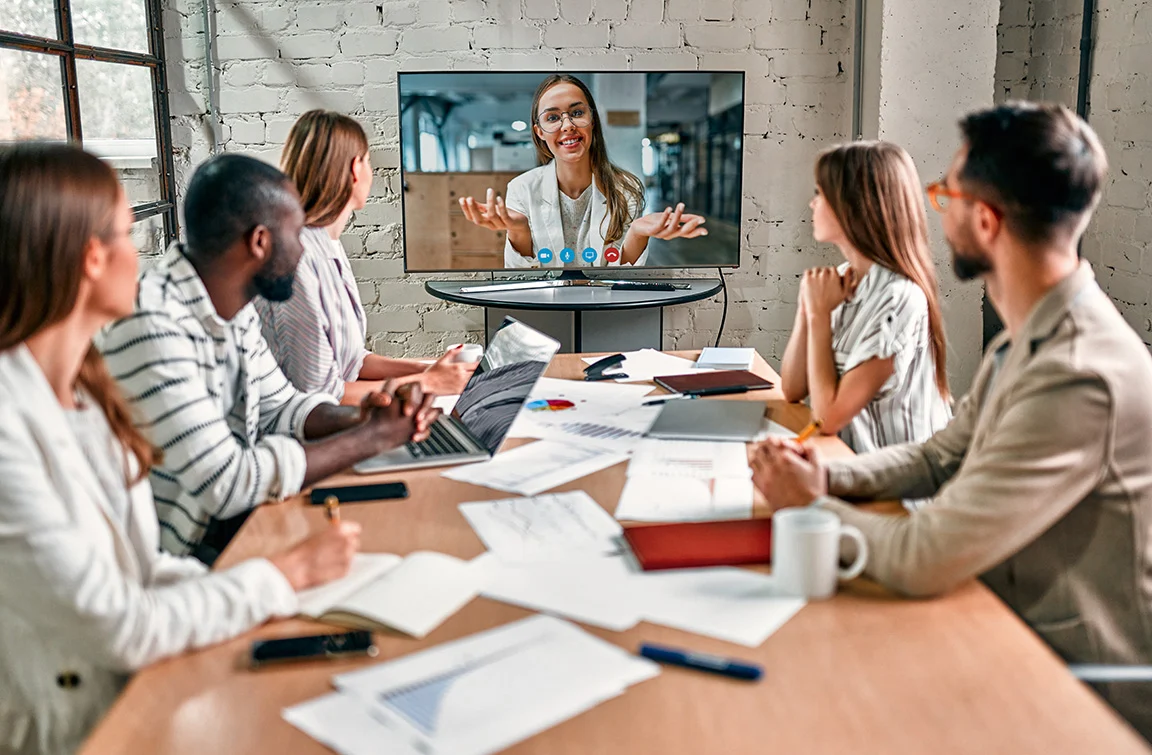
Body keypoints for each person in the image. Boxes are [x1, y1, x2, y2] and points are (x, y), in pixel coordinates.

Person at [750, 103, 1152, 738]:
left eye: (946, 195)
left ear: (986, 221)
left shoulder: (1078, 375)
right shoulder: (1026, 339)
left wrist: (806, 505)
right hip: (999, 613)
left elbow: (927, 554)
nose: (934, 210)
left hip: (1067, 677)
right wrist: (827, 481)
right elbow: (940, 456)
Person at [0, 143, 363, 755]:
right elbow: (121, 624)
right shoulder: (12, 425)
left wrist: (257, 585)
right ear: (92, 259)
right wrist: (285, 572)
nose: (144, 252)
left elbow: (145, 571)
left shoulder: (81, 391)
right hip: (77, 726)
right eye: (127, 232)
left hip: (134, 675)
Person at [100, 153, 439, 562]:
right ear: (259, 242)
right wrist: (371, 438)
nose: (301, 250)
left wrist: (364, 417)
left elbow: (283, 408)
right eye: (295, 234)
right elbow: (226, 482)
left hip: (225, 529)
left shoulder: (229, 302)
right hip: (175, 559)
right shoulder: (154, 324)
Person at [256, 110, 474, 405]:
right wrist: (428, 382)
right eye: (370, 161)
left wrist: (427, 367)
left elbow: (351, 360)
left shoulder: (326, 243)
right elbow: (319, 394)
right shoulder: (295, 262)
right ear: (356, 169)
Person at [779, 141, 951, 458]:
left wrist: (819, 318)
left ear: (854, 206)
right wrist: (808, 308)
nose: (812, 204)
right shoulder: (844, 279)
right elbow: (792, 388)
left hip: (897, 492)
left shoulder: (898, 297)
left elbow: (827, 418)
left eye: (821, 193)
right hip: (846, 464)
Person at [458, 74, 707, 269]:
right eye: (553, 118)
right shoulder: (522, 188)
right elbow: (522, 276)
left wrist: (638, 232)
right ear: (539, 132)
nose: (567, 125)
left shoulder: (626, 188)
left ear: (592, 120)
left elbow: (620, 275)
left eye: (577, 113)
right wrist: (519, 230)